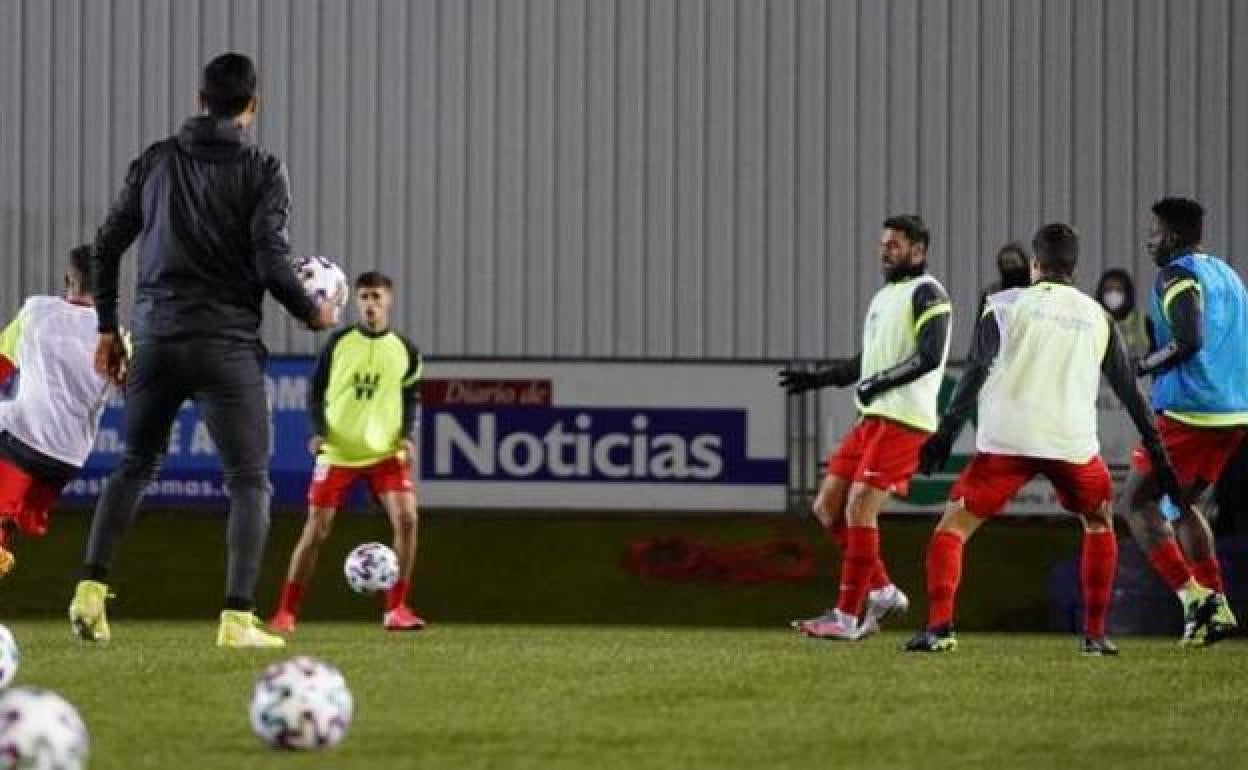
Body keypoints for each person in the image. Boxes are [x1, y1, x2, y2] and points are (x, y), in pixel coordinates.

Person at [68, 53, 337, 648]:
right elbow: (270, 260)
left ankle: (90, 589)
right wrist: (312, 311)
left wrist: (107, 329)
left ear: (200, 99)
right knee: (248, 480)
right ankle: (237, 619)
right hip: (225, 347)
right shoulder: (264, 169)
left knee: (134, 465)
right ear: (253, 105)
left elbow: (107, 244)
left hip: (158, 338)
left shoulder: (157, 161)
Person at [905, 223, 1182, 655]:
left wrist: (944, 436)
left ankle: (940, 628)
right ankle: (1094, 636)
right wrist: (1161, 457)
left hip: (1006, 442)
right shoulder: (1098, 316)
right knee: (1098, 522)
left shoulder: (1002, 305)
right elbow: (1131, 394)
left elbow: (975, 372)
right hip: (1070, 445)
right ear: (1074, 268)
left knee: (953, 527)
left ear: (1036, 264)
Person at [779, 215, 952, 640]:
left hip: (905, 421)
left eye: (894, 244)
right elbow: (866, 363)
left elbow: (929, 355)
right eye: (883, 244)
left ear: (918, 250)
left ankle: (847, 616)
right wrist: (818, 380)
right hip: (869, 419)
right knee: (826, 508)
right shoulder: (883, 297)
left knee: (859, 507)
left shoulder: (928, 293)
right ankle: (883, 591)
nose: (885, 251)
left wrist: (880, 382)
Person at [1120, 197, 1247, 646]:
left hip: (1191, 410)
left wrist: (1143, 365)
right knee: (1181, 503)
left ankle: (1195, 598)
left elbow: (1188, 339)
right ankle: (1216, 605)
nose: (1148, 240)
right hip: (1235, 412)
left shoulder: (1176, 275)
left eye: (1153, 232)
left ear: (1171, 237)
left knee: (1135, 504)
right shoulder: (1228, 276)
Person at [269, 271, 424, 634]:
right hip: (339, 453)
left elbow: (410, 395)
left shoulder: (406, 350)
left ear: (390, 300)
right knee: (316, 530)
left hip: (385, 453)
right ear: (357, 302)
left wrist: (405, 435)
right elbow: (316, 391)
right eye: (365, 297)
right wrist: (319, 432)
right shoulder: (339, 343)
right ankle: (286, 612)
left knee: (408, 520)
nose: (371, 304)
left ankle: (396, 608)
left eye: (377, 297)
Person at [0, 247, 114, 575]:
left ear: (68, 279)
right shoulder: (118, 338)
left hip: (21, 439)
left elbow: (2, 365)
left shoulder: (36, 312)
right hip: (67, 459)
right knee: (14, 524)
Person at [1095, 268, 1153, 358]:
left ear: (1127, 293)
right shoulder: (1093, 322)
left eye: (1118, 290)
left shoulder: (1144, 322)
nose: (1113, 295)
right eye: (1108, 290)